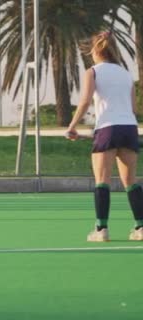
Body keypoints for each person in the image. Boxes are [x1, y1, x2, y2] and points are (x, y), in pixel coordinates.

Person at [67, 31, 143, 242]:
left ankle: (101, 230)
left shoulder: (92, 72)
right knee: (131, 181)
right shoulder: (125, 73)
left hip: (107, 129)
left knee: (102, 180)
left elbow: (84, 102)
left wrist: (72, 126)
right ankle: (141, 227)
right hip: (129, 128)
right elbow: (134, 109)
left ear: (96, 50)